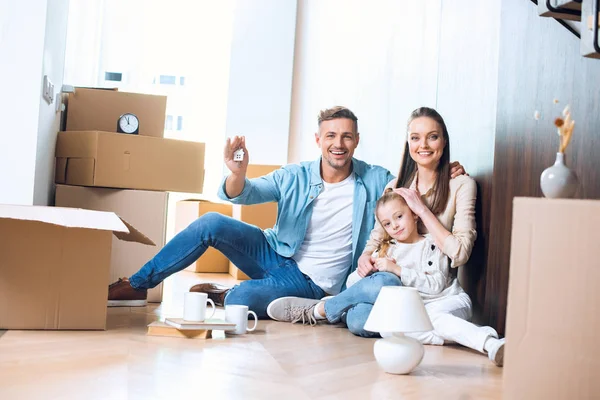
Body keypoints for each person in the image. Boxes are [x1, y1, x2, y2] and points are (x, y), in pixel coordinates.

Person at [267, 107, 504, 365]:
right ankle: (350, 309)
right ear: (408, 143)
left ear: (444, 141)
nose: (423, 145)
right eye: (415, 138)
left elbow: (459, 252)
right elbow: (377, 237)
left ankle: (323, 309)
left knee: (408, 318)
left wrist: (421, 210)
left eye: (432, 137)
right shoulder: (395, 186)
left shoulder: (461, 185)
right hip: (399, 292)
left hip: (437, 294)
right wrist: (366, 257)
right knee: (360, 319)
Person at [108, 106, 396, 315]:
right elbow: (245, 193)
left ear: (356, 141)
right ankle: (137, 284)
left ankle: (226, 295)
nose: (339, 144)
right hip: (275, 252)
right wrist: (237, 173)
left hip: (312, 282)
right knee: (210, 222)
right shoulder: (295, 175)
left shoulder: (374, 179)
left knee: (240, 300)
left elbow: (410, 186)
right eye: (331, 136)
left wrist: (440, 168)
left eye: (347, 137)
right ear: (318, 140)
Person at [268, 189, 505, 366]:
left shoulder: (432, 244)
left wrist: (396, 270)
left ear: (414, 214)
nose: (395, 226)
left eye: (399, 217)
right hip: (415, 313)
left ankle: (489, 343)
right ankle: (333, 308)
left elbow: (435, 287)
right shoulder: (386, 250)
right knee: (360, 319)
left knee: (420, 320)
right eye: (388, 223)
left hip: (446, 302)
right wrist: (367, 272)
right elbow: (352, 285)